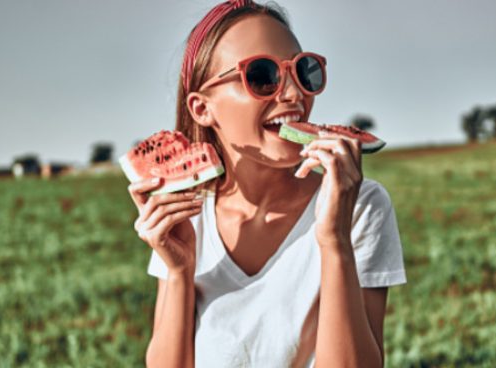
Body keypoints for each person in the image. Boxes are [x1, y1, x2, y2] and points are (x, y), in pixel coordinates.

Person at [126, 1, 407, 367]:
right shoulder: (184, 211)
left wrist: (334, 240)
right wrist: (179, 271)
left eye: (304, 72)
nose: (293, 94)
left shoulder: (361, 205)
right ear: (202, 108)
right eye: (262, 76)